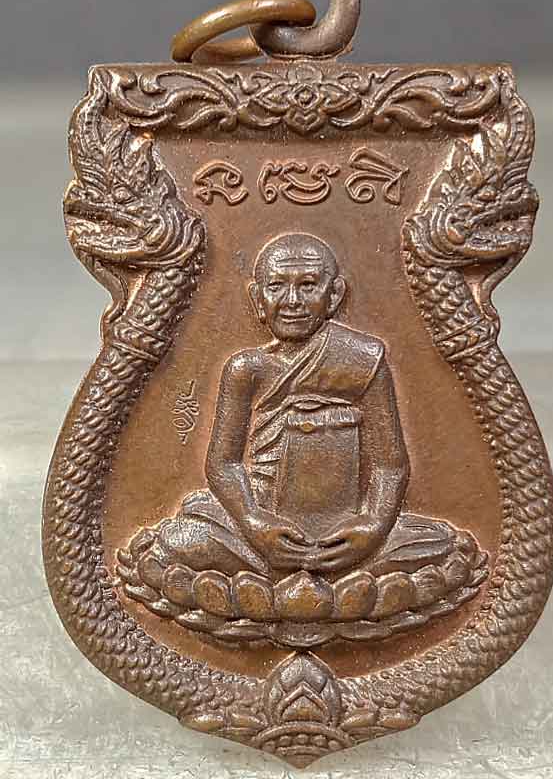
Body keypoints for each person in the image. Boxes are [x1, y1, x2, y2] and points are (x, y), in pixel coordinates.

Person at [130, 233, 458, 590]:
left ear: (334, 295)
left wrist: (374, 526)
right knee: (181, 539)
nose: (292, 301)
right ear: (258, 298)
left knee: (437, 542)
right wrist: (253, 522)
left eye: (308, 285)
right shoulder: (247, 368)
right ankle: (327, 583)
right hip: (263, 519)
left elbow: (390, 465)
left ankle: (280, 583)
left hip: (345, 524)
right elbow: (223, 464)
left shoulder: (363, 358)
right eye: (276, 286)